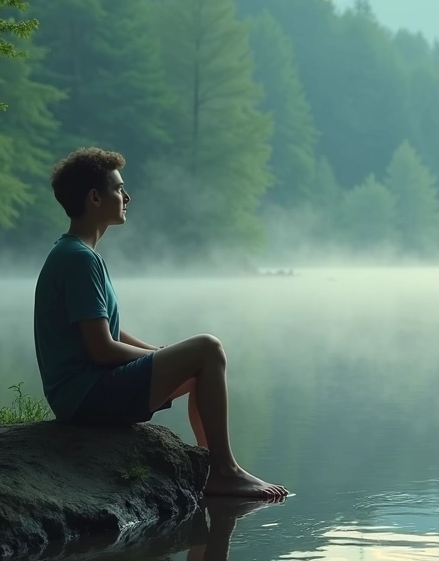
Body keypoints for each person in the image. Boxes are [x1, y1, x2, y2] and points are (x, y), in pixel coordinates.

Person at [32, 147, 287, 500]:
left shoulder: (77, 254)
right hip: (86, 398)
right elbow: (101, 349)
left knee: (198, 361)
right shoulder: (78, 260)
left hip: (82, 394)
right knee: (208, 348)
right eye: (119, 189)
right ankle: (224, 473)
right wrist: (159, 357)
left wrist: (158, 352)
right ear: (94, 198)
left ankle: (217, 468)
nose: (127, 197)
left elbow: (107, 329)